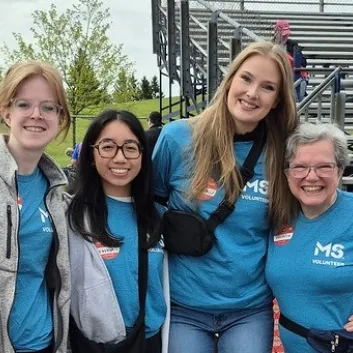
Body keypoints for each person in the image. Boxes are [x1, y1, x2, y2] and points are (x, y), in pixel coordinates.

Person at [152, 41, 298, 353]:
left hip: (249, 308)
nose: (252, 93)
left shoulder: (283, 153)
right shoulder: (177, 138)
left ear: (276, 101)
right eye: (246, 78)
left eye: (268, 87)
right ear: (229, 79)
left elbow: (319, 217)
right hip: (183, 306)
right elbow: (146, 207)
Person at [66, 109, 169, 353]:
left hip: (148, 342)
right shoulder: (71, 215)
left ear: (143, 155)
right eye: (108, 147)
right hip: (92, 345)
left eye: (131, 147)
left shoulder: (159, 215)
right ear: (91, 154)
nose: (120, 158)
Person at [0, 61, 71, 353]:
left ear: (60, 116)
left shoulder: (57, 194)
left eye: (49, 107)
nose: (36, 115)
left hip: (43, 342)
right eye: (23, 104)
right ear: (7, 113)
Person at [266, 123, 353, 353]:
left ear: (340, 170)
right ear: (287, 174)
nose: (311, 177)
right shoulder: (278, 218)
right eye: (300, 167)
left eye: (324, 167)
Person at [273, 19, 308, 102]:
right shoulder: (270, 45)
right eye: (283, 34)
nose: (285, 36)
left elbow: (303, 62)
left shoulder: (293, 45)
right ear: (276, 32)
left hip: (292, 77)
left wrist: (289, 58)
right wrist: (277, 45)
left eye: (286, 34)